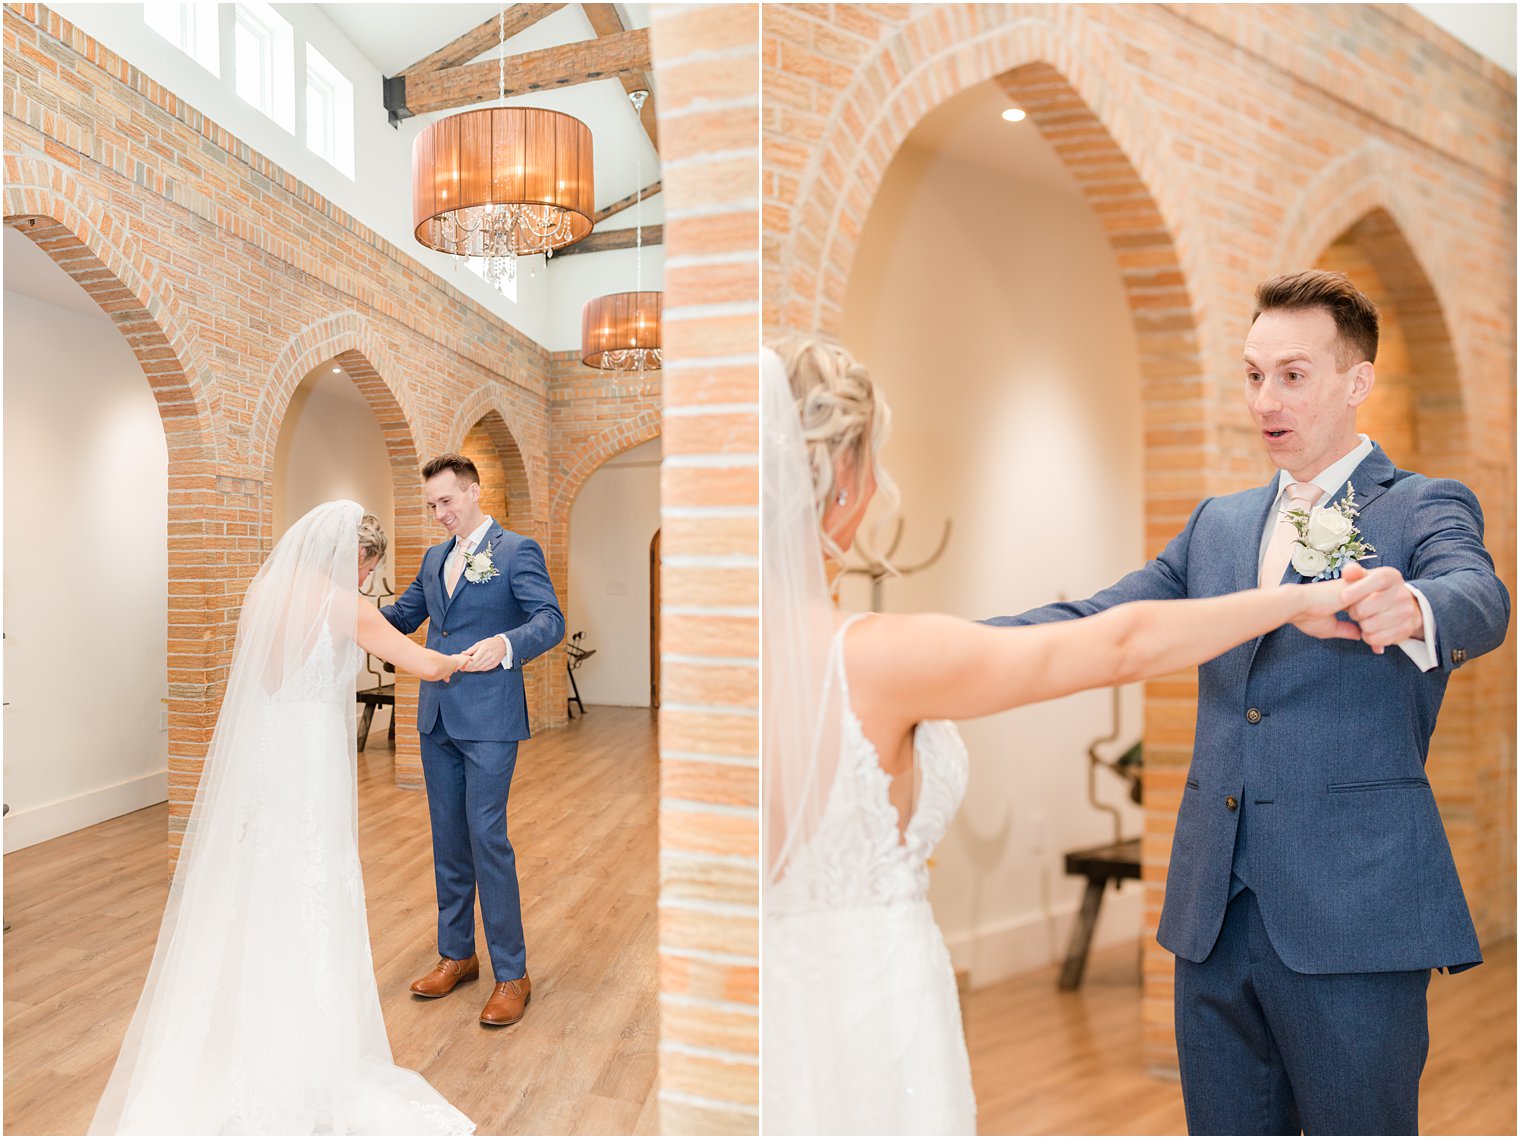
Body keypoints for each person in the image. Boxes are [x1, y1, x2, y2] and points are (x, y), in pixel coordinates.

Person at [760, 337, 1364, 1136]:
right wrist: (1289, 602)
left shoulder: (710, 657)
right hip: (872, 999)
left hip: (762, 1000)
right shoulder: (877, 658)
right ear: (842, 478)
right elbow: (1122, 644)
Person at [987, 269, 1510, 1134]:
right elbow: (1105, 615)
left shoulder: (1422, 505)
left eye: (1294, 375)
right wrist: (949, 643)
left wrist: (1411, 604)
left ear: (1357, 381)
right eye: (1254, 372)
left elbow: (1479, 594)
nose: (1267, 397)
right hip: (1212, 915)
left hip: (1353, 915)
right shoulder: (1217, 525)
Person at [92, 500, 474, 1135]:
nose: (363, 581)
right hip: (309, 755)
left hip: (266, 748)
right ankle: (302, 1045)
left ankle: (244, 1026)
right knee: (311, 878)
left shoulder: (263, 590)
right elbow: (423, 664)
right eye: (366, 568)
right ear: (356, 555)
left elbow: (264, 673)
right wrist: (475, 656)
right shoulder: (342, 604)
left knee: (257, 875)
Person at [381, 454, 565, 1027]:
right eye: (432, 505)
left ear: (474, 492)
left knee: (488, 838)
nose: (439, 513)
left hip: (488, 719)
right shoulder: (434, 557)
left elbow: (549, 619)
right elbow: (405, 615)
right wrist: (343, 614)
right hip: (435, 718)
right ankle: (457, 955)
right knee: (448, 840)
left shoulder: (516, 551)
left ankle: (513, 973)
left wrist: (506, 644)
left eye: (447, 501)